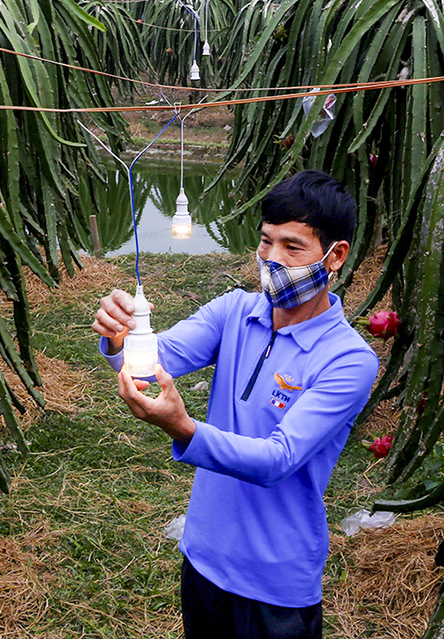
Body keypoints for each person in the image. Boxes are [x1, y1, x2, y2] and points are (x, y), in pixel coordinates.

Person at [91, 170, 380, 639]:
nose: (272, 259)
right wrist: (120, 335)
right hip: (203, 557)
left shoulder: (349, 360)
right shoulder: (233, 312)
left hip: (275, 582)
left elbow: (277, 459)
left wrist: (184, 428)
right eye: (266, 242)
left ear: (335, 256)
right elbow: (149, 364)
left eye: (292, 247)